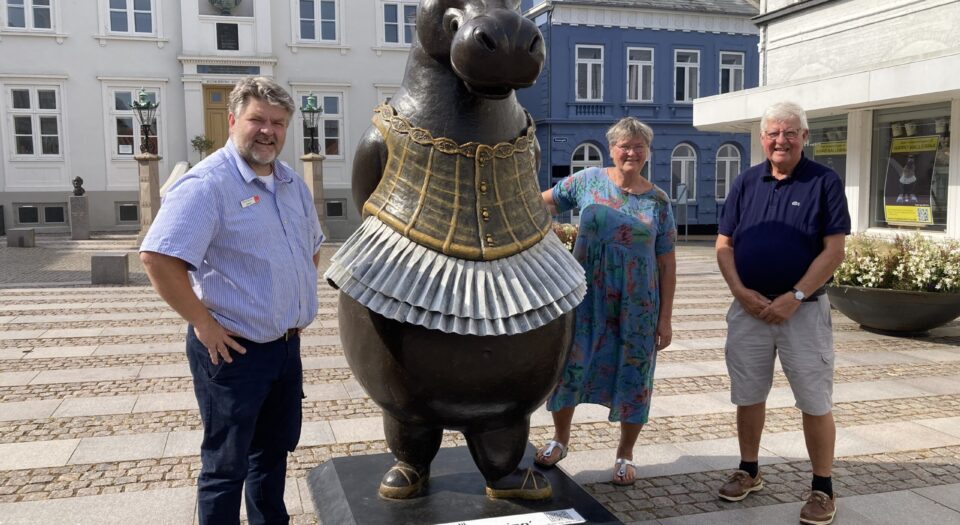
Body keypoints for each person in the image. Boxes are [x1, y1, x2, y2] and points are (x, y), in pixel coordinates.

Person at [139, 76, 325, 525]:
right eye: (257, 119)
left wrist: (291, 302)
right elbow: (159, 259)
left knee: (272, 455)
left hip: (283, 348)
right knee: (226, 466)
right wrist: (204, 324)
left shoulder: (292, 185)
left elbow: (312, 247)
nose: (268, 131)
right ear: (232, 120)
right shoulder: (207, 185)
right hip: (232, 351)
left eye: (278, 123)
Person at [715, 101, 850, 525]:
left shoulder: (824, 181)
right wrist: (740, 292)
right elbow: (724, 245)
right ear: (762, 138)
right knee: (748, 394)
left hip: (804, 312)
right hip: (749, 310)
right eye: (773, 132)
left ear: (804, 137)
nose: (781, 140)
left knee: (814, 398)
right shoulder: (745, 182)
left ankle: (822, 488)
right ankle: (749, 470)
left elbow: (834, 250)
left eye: (790, 132)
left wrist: (795, 295)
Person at [535, 117, 677, 485]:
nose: (631, 152)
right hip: (586, 298)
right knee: (571, 368)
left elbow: (667, 262)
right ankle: (560, 440)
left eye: (638, 146)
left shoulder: (658, 201)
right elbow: (540, 205)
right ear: (611, 149)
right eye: (624, 146)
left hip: (638, 306)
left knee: (634, 375)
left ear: (647, 151)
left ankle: (625, 454)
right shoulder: (587, 181)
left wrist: (665, 319)